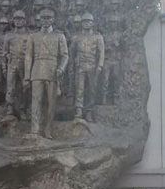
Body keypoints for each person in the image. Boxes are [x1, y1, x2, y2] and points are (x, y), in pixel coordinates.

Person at [24, 8, 69, 139]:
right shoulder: (33, 36)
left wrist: (61, 68)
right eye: (43, 18)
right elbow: (28, 57)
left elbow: (65, 56)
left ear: (53, 19)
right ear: (39, 19)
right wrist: (27, 76)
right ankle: (35, 129)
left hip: (53, 72)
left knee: (51, 103)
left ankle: (48, 129)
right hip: (37, 71)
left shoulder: (59, 36)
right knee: (36, 101)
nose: (46, 20)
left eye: (48, 18)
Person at [71, 12, 105, 122]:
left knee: (92, 89)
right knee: (79, 89)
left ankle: (89, 111)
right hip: (80, 65)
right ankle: (79, 110)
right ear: (81, 23)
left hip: (92, 66)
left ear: (93, 23)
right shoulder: (76, 38)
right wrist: (72, 66)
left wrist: (99, 65)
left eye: (89, 21)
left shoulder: (98, 37)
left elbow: (101, 52)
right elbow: (72, 53)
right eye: (84, 21)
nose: (87, 24)